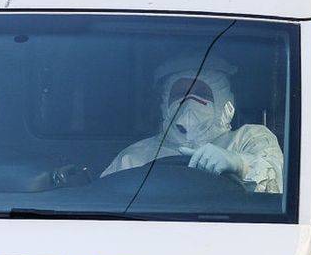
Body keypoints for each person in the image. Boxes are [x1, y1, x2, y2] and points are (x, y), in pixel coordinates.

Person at [101, 56, 284, 192]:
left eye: (202, 94)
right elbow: (105, 199)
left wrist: (240, 164)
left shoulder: (249, 139)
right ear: (165, 103)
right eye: (179, 94)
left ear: (223, 101)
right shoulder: (134, 157)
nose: (189, 102)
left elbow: (279, 182)